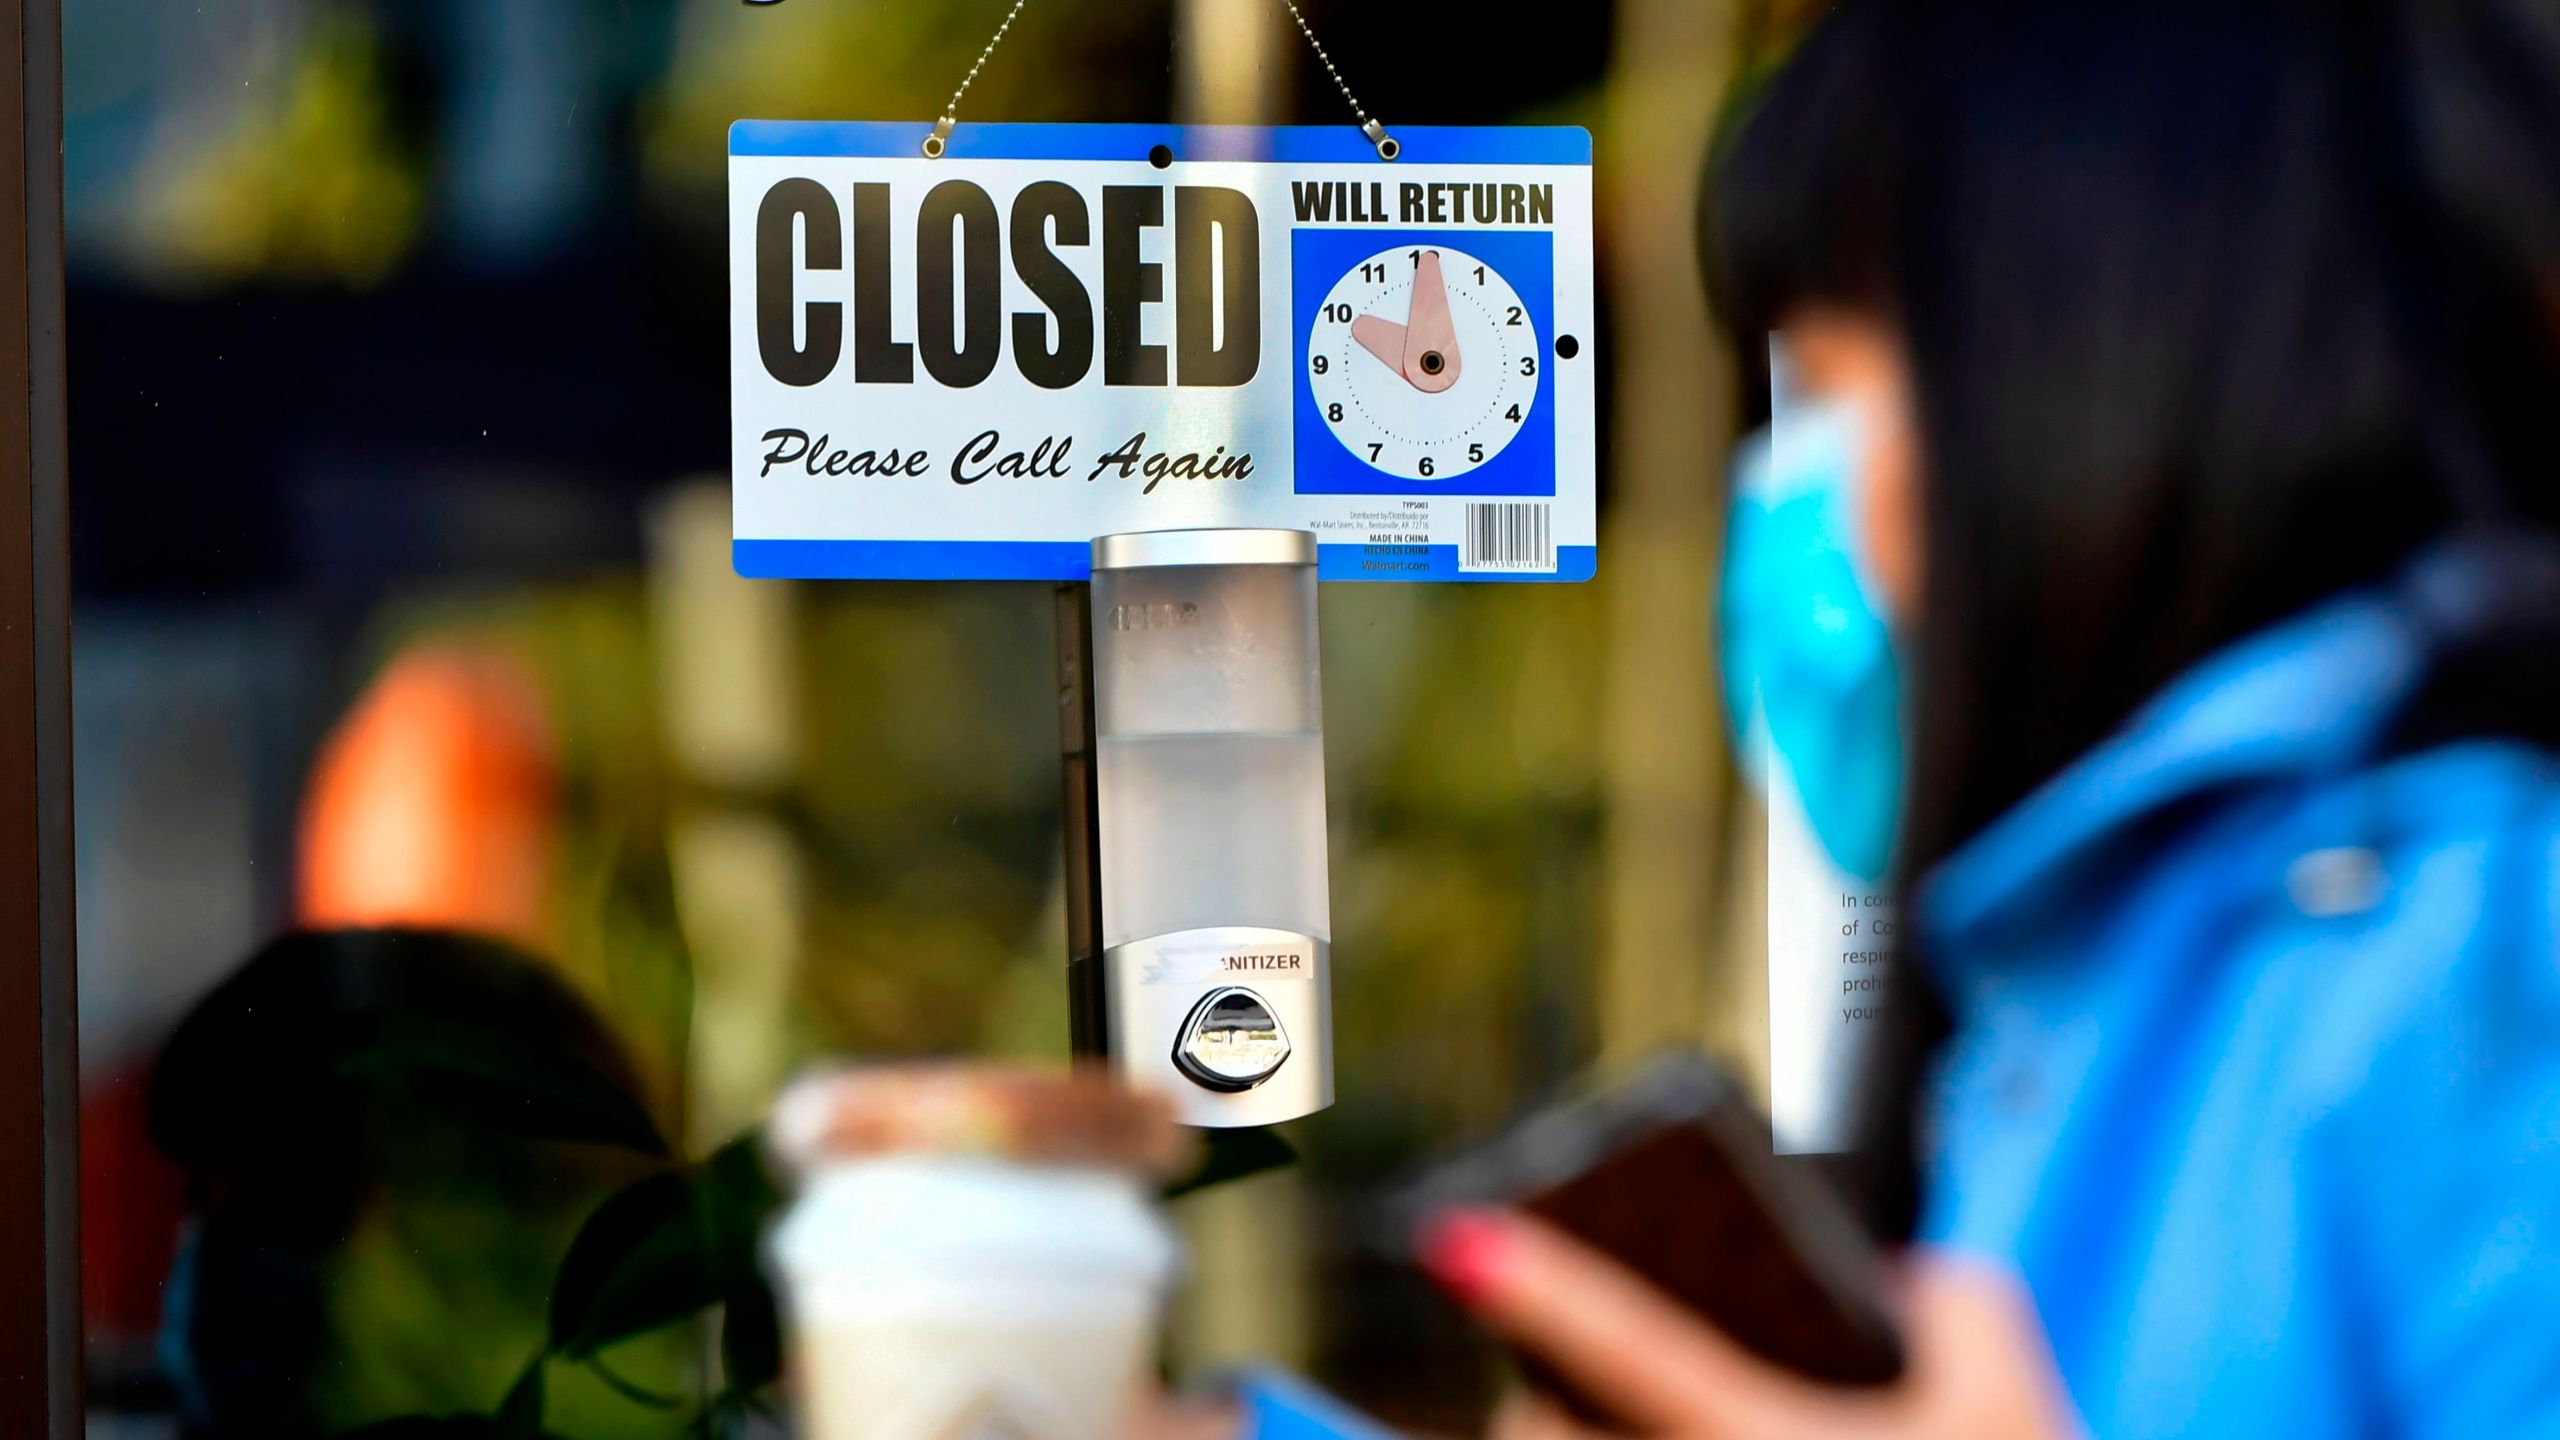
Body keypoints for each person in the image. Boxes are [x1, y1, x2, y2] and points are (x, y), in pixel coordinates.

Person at [1400, 1, 2560, 1436]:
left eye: (1837, 393)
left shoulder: (2481, 939)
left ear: (2103, 372)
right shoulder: (2074, 980)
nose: (1808, 504)